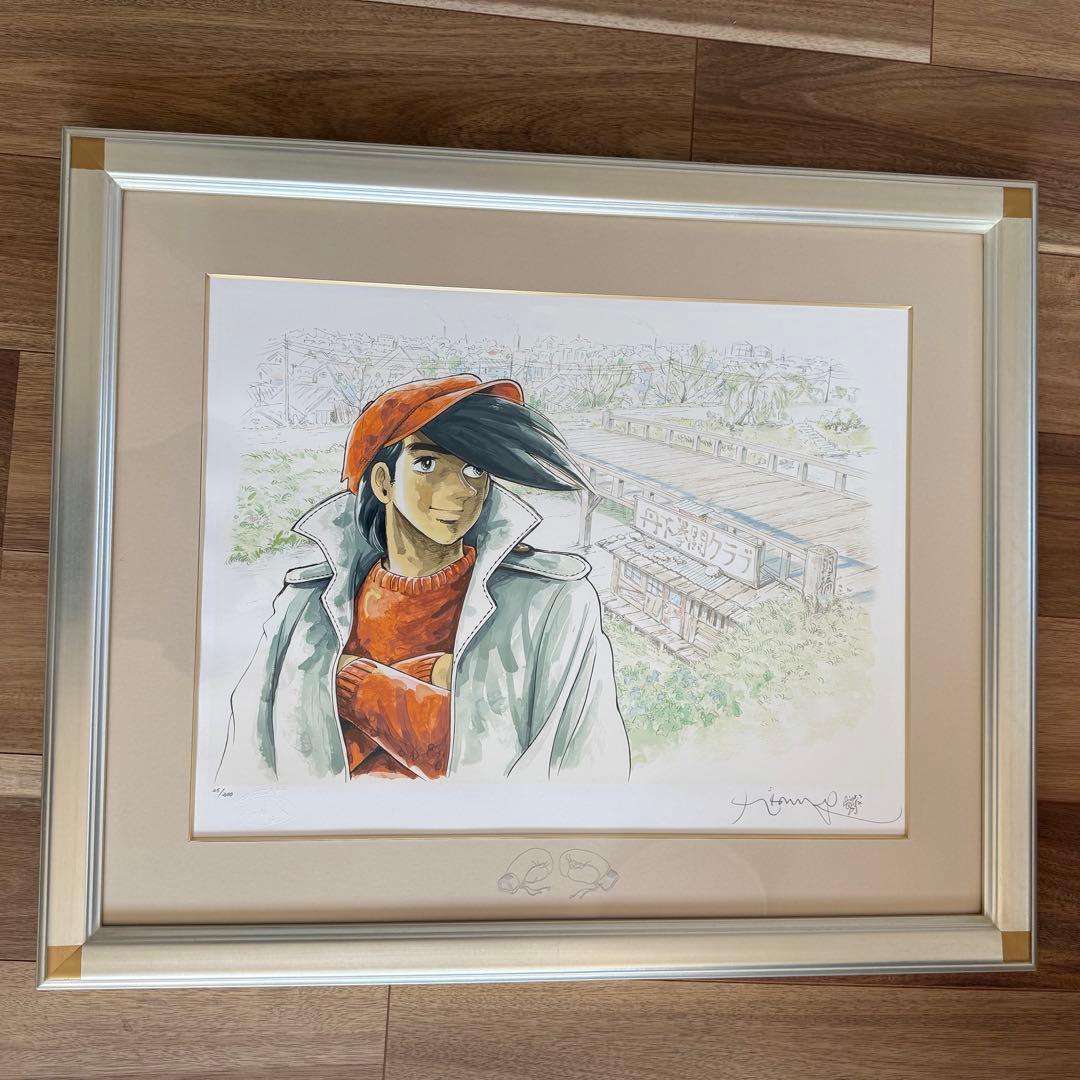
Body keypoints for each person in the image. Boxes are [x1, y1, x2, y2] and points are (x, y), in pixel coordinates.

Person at [216, 374, 631, 786]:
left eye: (474, 469)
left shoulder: (554, 604)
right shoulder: (302, 609)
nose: (460, 491)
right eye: (427, 464)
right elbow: (249, 764)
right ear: (383, 482)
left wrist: (356, 684)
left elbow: (587, 771)